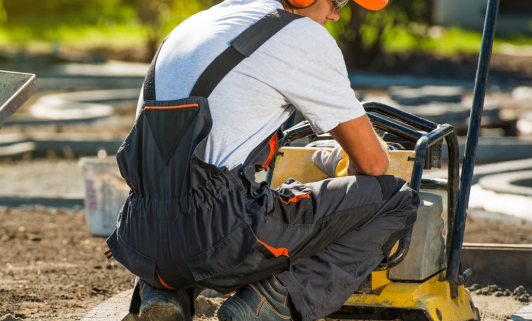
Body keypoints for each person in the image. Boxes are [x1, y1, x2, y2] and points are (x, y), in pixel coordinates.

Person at [104, 0, 419, 320]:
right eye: (336, 1)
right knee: (395, 199)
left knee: (185, 196)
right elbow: (372, 165)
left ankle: (162, 290)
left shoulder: (193, 27)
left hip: (139, 234)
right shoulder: (301, 34)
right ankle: (270, 300)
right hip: (221, 237)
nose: (337, 14)